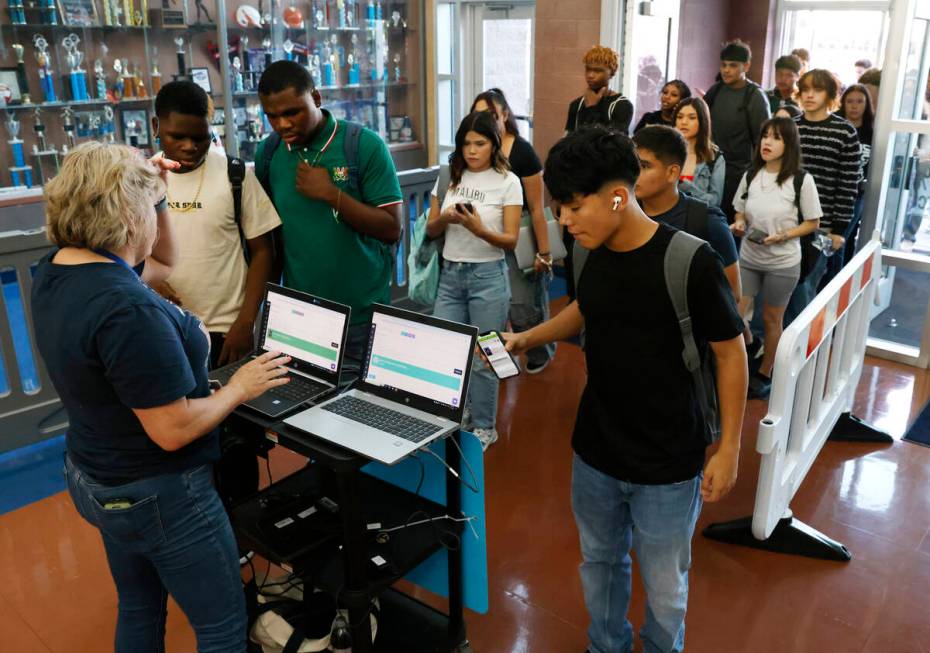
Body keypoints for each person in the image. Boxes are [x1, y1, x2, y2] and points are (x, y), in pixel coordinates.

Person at [32, 142, 291, 653]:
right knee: (220, 627)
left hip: (96, 476)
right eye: (150, 208)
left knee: (140, 604)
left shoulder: (60, 270)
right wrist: (238, 388)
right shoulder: (127, 309)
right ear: (129, 217)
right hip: (160, 492)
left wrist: (157, 197)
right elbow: (171, 430)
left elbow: (165, 263)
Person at [504, 125, 747, 653]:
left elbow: (731, 352)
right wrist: (528, 337)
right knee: (600, 563)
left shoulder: (691, 260)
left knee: (664, 585)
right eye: (559, 209)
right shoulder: (589, 251)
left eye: (572, 207)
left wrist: (729, 447)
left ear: (618, 195)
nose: (564, 221)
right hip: (596, 449)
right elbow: (585, 309)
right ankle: (605, 646)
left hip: (669, 460)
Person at [255, 60, 403, 382]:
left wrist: (332, 194)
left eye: (292, 112)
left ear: (317, 98)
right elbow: (271, 239)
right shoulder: (268, 154)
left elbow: (392, 228)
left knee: (363, 413)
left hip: (362, 315)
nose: (282, 124)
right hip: (300, 315)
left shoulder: (363, 145)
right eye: (272, 116)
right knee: (303, 411)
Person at [152, 81, 280, 369]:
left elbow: (263, 252)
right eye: (177, 137)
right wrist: (150, 282)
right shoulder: (141, 180)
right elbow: (124, 258)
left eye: (200, 138)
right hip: (165, 329)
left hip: (228, 331)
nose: (190, 147)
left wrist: (246, 322)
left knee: (237, 409)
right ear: (155, 127)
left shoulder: (235, 174)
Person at [426, 111, 523, 450]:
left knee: (486, 355)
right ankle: (459, 413)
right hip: (451, 274)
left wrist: (477, 227)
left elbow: (511, 240)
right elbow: (429, 229)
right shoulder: (449, 175)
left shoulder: (508, 181)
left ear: (494, 143)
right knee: (448, 350)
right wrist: (447, 217)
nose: (471, 150)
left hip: (489, 277)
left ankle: (485, 425)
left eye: (480, 143)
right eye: (466, 143)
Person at [730, 118, 822, 399]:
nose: (767, 143)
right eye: (765, 136)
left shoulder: (801, 180)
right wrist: (740, 222)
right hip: (749, 256)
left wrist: (784, 235)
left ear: (789, 144)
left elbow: (813, 222)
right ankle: (752, 345)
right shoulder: (751, 175)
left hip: (783, 262)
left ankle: (766, 371)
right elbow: (739, 209)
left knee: (772, 319)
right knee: (735, 313)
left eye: (776, 138)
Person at [471, 88, 555, 374]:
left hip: (519, 238)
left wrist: (544, 252)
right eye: (479, 115)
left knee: (523, 306)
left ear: (505, 115)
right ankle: (497, 362)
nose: (485, 120)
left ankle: (539, 352)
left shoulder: (522, 152)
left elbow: (536, 208)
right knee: (490, 307)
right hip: (484, 239)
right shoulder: (477, 149)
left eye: (492, 114)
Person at [633, 125, 740, 298]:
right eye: (632, 164)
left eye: (644, 166)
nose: (633, 173)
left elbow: (733, 294)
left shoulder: (707, 222)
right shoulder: (623, 212)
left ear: (672, 172)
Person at [789, 69, 860, 310]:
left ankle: (806, 347)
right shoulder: (791, 128)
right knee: (781, 289)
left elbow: (848, 184)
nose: (809, 96)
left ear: (830, 95)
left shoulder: (845, 132)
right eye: (805, 89)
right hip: (786, 220)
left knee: (806, 289)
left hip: (823, 224)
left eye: (817, 90)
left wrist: (839, 229)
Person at [705, 39, 771, 223]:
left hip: (739, 174)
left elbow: (763, 140)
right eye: (724, 65)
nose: (726, 70)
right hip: (712, 169)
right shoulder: (715, 91)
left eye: (733, 65)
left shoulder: (755, 96)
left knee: (733, 226)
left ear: (746, 66)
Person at [837, 83, 875, 263]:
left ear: (867, 104)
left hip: (857, 193)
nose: (854, 106)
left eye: (860, 101)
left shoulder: (873, 132)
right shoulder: (835, 127)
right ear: (843, 103)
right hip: (832, 190)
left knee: (844, 239)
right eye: (850, 101)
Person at [565, 45, 635, 136]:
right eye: (588, 69)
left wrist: (592, 108)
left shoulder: (622, 105)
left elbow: (613, 145)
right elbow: (567, 141)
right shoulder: (576, 104)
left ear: (612, 72)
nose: (590, 75)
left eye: (597, 71)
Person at [673, 97, 727, 208]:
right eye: (679, 117)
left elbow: (715, 201)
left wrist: (684, 185)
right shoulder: (665, 152)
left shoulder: (714, 158)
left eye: (692, 118)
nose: (684, 122)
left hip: (696, 217)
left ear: (703, 121)